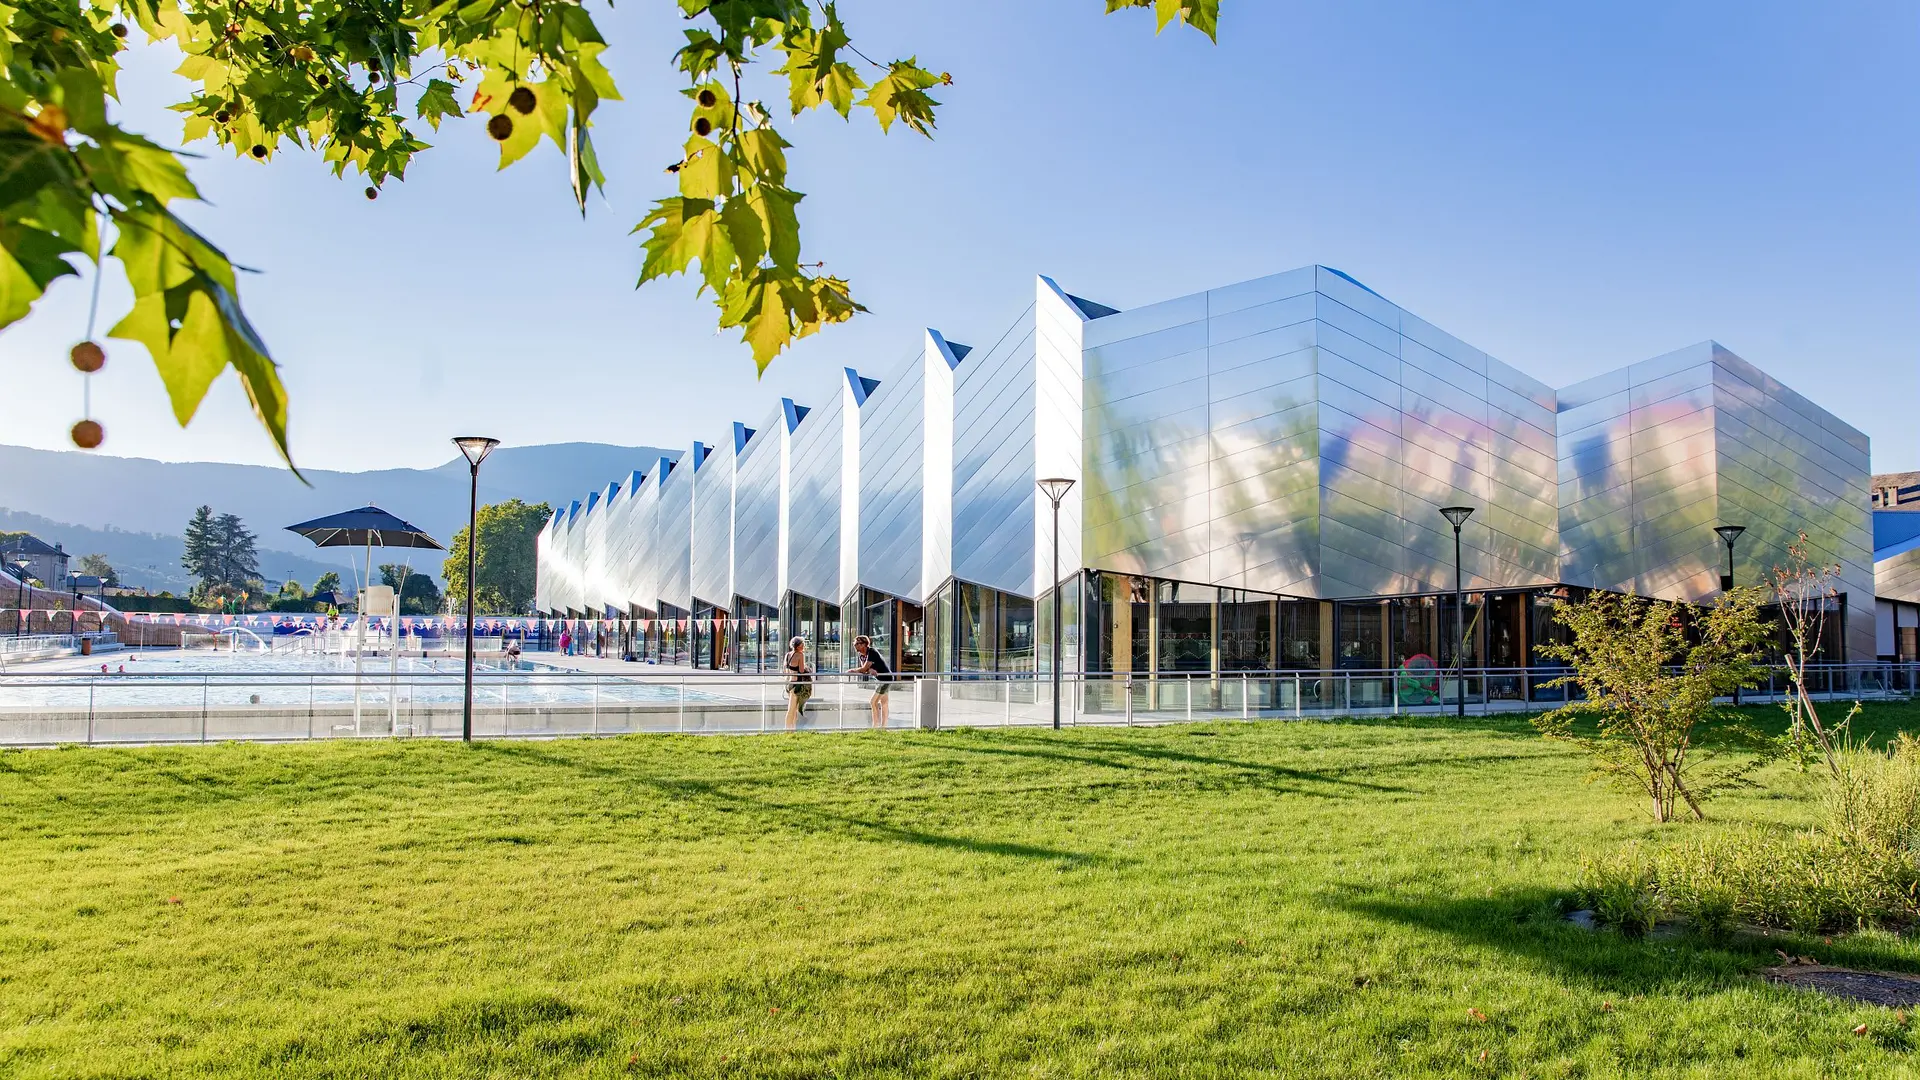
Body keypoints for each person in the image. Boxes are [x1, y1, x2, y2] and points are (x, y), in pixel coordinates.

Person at [850, 634, 893, 729]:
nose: (855, 645)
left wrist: (854, 670)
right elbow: (865, 669)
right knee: (884, 702)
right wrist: (869, 670)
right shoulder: (861, 655)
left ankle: (876, 726)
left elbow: (864, 668)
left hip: (885, 679)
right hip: (879, 680)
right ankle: (883, 727)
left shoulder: (872, 652)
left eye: (857, 643)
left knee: (873, 702)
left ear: (864, 644)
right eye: (854, 644)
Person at [783, 636, 811, 730]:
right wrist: (808, 669)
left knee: (793, 709)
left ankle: (792, 730)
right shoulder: (800, 655)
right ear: (798, 646)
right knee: (791, 709)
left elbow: (785, 670)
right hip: (796, 684)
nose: (803, 646)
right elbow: (802, 670)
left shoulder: (788, 655)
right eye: (802, 644)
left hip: (789, 684)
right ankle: (787, 730)